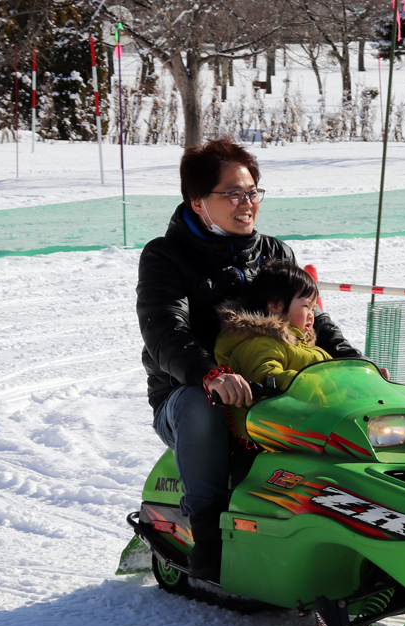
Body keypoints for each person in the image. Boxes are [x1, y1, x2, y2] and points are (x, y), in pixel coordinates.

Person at [136, 137, 364, 581]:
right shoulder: (166, 256)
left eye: (253, 191)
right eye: (234, 194)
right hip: (188, 397)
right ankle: (208, 536)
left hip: (274, 391)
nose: (248, 203)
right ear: (198, 201)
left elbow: (312, 314)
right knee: (202, 405)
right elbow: (165, 330)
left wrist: (353, 362)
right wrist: (210, 374)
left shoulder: (274, 252)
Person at [214, 261, 331, 444]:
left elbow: (334, 374)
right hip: (265, 436)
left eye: (314, 309)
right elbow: (263, 374)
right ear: (276, 305)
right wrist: (302, 383)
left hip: (304, 427)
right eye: (306, 306)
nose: (311, 315)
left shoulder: (308, 347)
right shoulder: (259, 342)